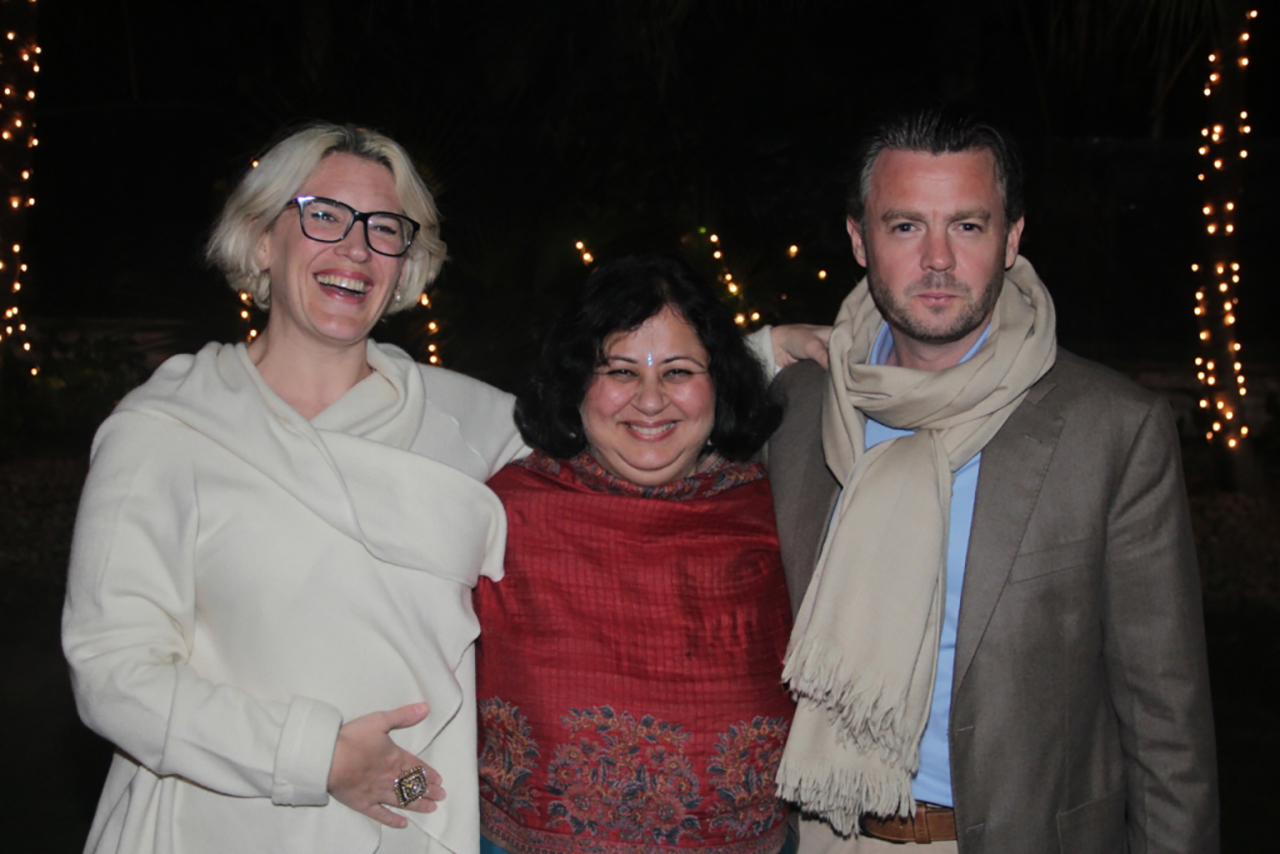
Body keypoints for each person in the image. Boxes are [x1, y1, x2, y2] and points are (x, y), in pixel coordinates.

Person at [62, 123, 526, 854]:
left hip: (409, 821)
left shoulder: (479, 425)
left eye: (384, 228)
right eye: (323, 215)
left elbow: (631, 447)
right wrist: (319, 758)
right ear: (260, 240)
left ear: (406, 264)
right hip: (208, 827)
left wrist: (754, 363)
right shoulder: (167, 428)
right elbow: (112, 672)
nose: (356, 248)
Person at [766, 109, 1218, 853]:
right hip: (820, 831)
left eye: (968, 226)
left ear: (1011, 239)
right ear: (859, 240)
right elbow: (632, 411)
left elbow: (1165, 719)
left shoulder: (1110, 428)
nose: (938, 259)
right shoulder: (798, 408)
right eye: (905, 226)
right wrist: (763, 346)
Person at [473, 255, 797, 854]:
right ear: (577, 383)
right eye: (621, 371)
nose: (650, 400)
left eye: (678, 372)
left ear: (718, 383)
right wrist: (404, 790)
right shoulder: (502, 514)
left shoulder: (777, 513)